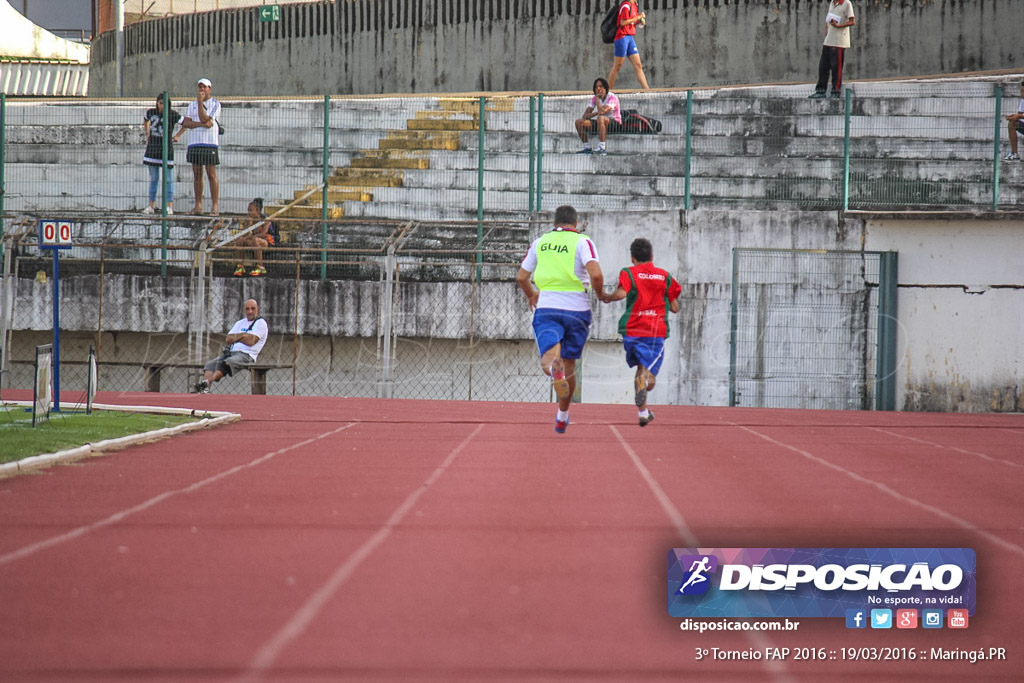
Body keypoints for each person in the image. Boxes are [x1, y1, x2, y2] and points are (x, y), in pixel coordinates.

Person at [516, 205, 604, 433]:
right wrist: (602, 294)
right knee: (570, 364)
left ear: (555, 223)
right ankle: (562, 416)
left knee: (550, 359)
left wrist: (532, 294)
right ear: (575, 223)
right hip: (578, 310)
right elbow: (595, 273)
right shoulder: (583, 242)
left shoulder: (540, 242)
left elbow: (522, 277)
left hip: (548, 307)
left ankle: (554, 370)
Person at [600, 237, 681, 427]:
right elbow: (675, 307)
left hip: (632, 330)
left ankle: (643, 413)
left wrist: (608, 297)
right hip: (654, 331)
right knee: (649, 377)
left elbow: (621, 293)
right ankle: (645, 385)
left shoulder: (629, 272)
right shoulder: (665, 276)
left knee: (640, 369)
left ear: (632, 258)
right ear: (652, 256)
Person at [193, 299, 268, 393]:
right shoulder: (240, 323)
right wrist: (244, 335)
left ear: (258, 309)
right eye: (247, 309)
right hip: (231, 352)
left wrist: (237, 337)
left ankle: (206, 383)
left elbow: (251, 341)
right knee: (210, 364)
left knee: (228, 363)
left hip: (247, 355)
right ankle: (204, 390)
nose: (250, 311)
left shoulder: (261, 323)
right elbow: (228, 339)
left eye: (253, 309)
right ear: (245, 310)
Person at [173, 77, 222, 215]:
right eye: (200, 87)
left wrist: (200, 103)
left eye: (204, 87)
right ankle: (198, 205)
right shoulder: (191, 105)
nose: (202, 90)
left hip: (209, 142)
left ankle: (214, 206)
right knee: (197, 174)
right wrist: (200, 125)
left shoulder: (215, 104)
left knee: (211, 173)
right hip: (195, 142)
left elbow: (205, 118)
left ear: (209, 89)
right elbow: (187, 123)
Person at [142, 94, 183, 215]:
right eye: (160, 103)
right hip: (153, 149)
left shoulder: (172, 114)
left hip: (166, 149)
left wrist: (177, 136)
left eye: (164, 103)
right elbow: (145, 120)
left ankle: (169, 206)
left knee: (168, 179)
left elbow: (185, 123)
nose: (161, 106)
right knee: (154, 178)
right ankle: (151, 205)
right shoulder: (151, 112)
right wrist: (147, 132)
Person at [810, 0, 856, 99]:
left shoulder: (846, 3)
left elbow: (852, 21)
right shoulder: (832, 3)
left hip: (839, 41)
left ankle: (835, 92)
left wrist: (838, 26)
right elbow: (828, 20)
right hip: (828, 40)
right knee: (823, 67)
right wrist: (827, 30)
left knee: (836, 68)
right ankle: (821, 91)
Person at [607, 0, 650, 91]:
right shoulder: (626, 5)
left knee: (638, 65)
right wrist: (638, 17)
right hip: (622, 37)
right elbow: (623, 22)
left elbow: (631, 22)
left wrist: (639, 21)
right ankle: (609, 91)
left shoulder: (634, 5)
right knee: (617, 66)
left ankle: (647, 90)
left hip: (630, 37)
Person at [575, 78, 622, 156]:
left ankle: (602, 147)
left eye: (601, 86)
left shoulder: (612, 97)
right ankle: (587, 147)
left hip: (614, 123)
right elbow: (585, 115)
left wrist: (597, 101)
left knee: (601, 118)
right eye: (596, 87)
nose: (598, 89)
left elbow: (603, 112)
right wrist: (596, 112)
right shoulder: (594, 98)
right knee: (579, 122)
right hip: (600, 122)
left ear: (605, 88)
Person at [232, 198, 278, 277]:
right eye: (248, 210)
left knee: (255, 240)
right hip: (255, 242)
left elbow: (263, 234)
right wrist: (247, 225)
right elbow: (244, 234)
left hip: (268, 242)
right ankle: (240, 266)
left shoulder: (265, 220)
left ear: (257, 210)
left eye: (251, 210)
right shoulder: (251, 220)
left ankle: (261, 267)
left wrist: (249, 237)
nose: (249, 213)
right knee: (239, 240)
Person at [1004, 81, 1024, 161]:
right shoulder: (1022, 101)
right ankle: (1015, 153)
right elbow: (1019, 116)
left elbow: (1019, 115)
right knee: (1012, 124)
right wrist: (1012, 117)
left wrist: (1018, 116)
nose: (1022, 94)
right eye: (1021, 91)